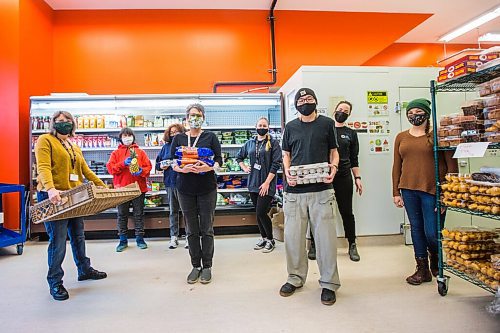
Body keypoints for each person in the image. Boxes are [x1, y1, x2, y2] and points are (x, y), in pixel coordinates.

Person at [35, 110, 107, 301]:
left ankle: (84, 269)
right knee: (58, 241)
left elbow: (85, 171)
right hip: (54, 196)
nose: (63, 123)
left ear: (73, 125)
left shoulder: (73, 146)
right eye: (59, 121)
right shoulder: (45, 140)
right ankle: (55, 282)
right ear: (53, 123)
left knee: (78, 235)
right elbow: (43, 167)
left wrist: (103, 186)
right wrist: (50, 189)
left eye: (67, 121)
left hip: (74, 196)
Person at [280, 88, 340, 306]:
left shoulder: (326, 124)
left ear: (316, 101)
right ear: (296, 105)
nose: (305, 102)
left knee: (326, 241)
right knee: (293, 240)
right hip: (294, 193)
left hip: (322, 191)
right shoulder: (290, 127)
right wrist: (287, 173)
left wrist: (333, 167)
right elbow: (286, 155)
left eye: (309, 99)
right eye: (301, 100)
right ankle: (295, 278)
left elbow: (334, 151)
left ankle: (328, 284)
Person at [392, 98, 457, 285]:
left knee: (432, 231)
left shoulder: (438, 136)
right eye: (410, 113)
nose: (414, 116)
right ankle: (422, 269)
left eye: (418, 113)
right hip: (408, 189)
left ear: (427, 114)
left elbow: (452, 166)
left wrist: (448, 194)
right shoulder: (401, 137)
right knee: (416, 229)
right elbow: (397, 166)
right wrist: (395, 191)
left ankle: (436, 262)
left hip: (433, 190)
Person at [171, 103, 222, 284]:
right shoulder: (178, 139)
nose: (195, 118)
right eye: (192, 115)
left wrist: (210, 167)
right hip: (184, 189)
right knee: (191, 229)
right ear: (186, 118)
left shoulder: (210, 137)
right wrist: (180, 169)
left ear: (203, 118)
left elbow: (219, 160)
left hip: (207, 188)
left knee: (206, 228)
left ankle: (207, 266)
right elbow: (171, 161)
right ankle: (195, 265)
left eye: (198, 115)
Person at [309, 101, 363, 262]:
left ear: (349, 114)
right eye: (340, 109)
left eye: (345, 110)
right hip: (323, 176)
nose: (342, 112)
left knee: (346, 211)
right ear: (334, 111)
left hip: (344, 176)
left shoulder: (351, 133)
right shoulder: (325, 128)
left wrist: (358, 178)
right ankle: (313, 244)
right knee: (317, 212)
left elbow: (354, 159)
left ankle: (352, 244)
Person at [236, 117, 282, 253]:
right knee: (258, 213)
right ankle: (263, 238)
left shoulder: (273, 143)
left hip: (267, 183)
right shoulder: (250, 143)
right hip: (253, 182)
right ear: (255, 127)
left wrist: (267, 183)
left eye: (264, 125)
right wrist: (244, 167)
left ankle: (270, 239)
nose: (262, 127)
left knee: (262, 212)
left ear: (268, 127)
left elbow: (276, 164)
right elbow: (239, 157)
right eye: (260, 125)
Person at [107, 127, 152, 252]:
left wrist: (141, 171)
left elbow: (148, 168)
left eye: (129, 135)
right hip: (122, 189)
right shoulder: (115, 153)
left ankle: (140, 238)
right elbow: (111, 169)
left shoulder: (140, 152)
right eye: (125, 136)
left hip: (139, 188)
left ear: (133, 137)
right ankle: (122, 240)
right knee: (122, 215)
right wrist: (123, 164)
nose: (127, 138)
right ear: (120, 139)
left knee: (139, 215)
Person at [156, 123, 186, 249]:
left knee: (187, 212)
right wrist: (161, 166)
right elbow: (157, 164)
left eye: (177, 132)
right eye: (172, 132)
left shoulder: (186, 147)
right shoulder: (165, 148)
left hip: (185, 183)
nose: (174, 134)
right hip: (170, 182)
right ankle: (173, 237)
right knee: (173, 211)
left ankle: (189, 237)